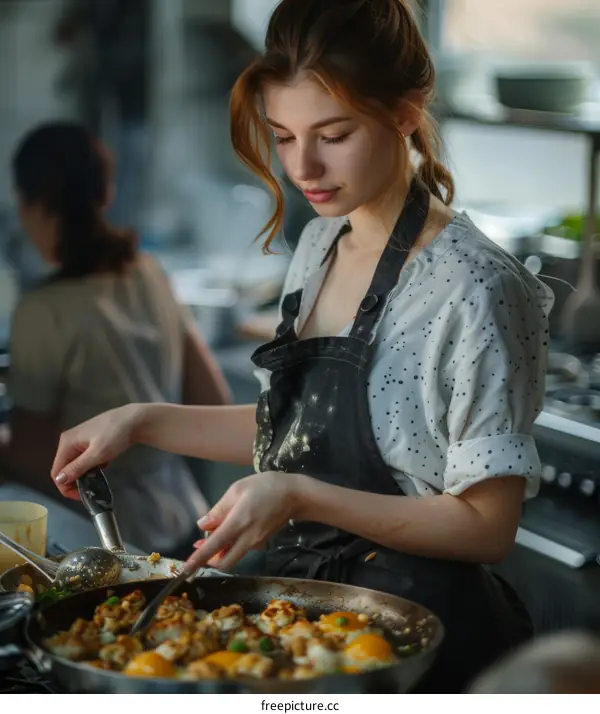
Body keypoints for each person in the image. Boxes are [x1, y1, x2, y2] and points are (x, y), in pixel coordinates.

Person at [49, 0, 554, 693]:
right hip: (302, 620)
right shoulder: (322, 241)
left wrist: (298, 497)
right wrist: (140, 421)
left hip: (414, 642)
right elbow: (291, 434)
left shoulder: (479, 289)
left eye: (333, 133)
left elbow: (485, 528)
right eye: (282, 136)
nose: (303, 166)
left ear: (406, 113)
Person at [1, 121, 231, 557]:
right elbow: (213, 399)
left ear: (31, 204)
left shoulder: (42, 309)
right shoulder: (146, 271)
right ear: (105, 194)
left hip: (103, 534)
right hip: (185, 520)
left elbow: (34, 460)